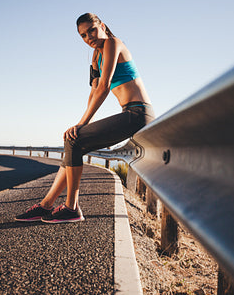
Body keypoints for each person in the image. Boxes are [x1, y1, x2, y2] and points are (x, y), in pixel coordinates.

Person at [15, 13, 154, 224]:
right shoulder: (95, 57)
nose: (89, 37)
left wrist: (81, 124)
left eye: (92, 30)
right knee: (73, 144)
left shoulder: (112, 43)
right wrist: (81, 124)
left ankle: (72, 207)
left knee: (73, 140)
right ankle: (46, 205)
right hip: (129, 113)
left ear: (103, 26)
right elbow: (94, 91)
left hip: (138, 114)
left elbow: (105, 87)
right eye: (83, 35)